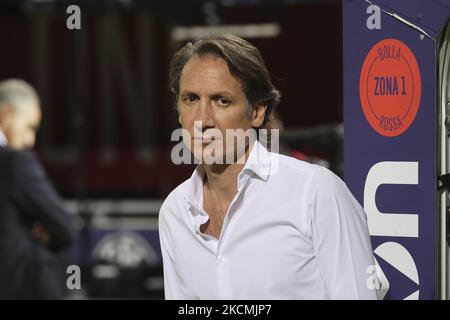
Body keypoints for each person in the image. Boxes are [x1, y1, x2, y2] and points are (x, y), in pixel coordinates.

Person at [159, 34, 378, 299]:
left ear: (258, 112)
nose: (202, 119)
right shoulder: (174, 212)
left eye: (221, 100)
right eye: (191, 99)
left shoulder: (315, 192)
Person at [0, 79, 75, 299]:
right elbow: (63, 226)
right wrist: (37, 232)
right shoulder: (14, 163)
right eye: (29, 127)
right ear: (8, 114)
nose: (30, 140)